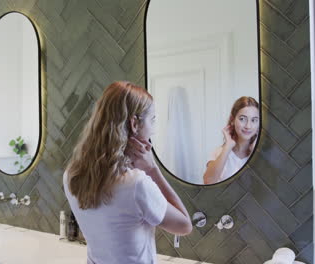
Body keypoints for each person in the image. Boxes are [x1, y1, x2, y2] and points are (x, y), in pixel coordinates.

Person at [63, 81, 192, 264]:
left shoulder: (71, 175)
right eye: (152, 119)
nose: (153, 129)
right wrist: (152, 170)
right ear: (134, 123)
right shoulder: (136, 184)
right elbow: (184, 225)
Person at [203, 96, 259, 185]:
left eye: (254, 120)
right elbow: (208, 181)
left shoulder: (264, 153)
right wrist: (228, 146)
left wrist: (255, 153)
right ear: (232, 120)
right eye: (242, 119)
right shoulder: (219, 152)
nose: (248, 126)